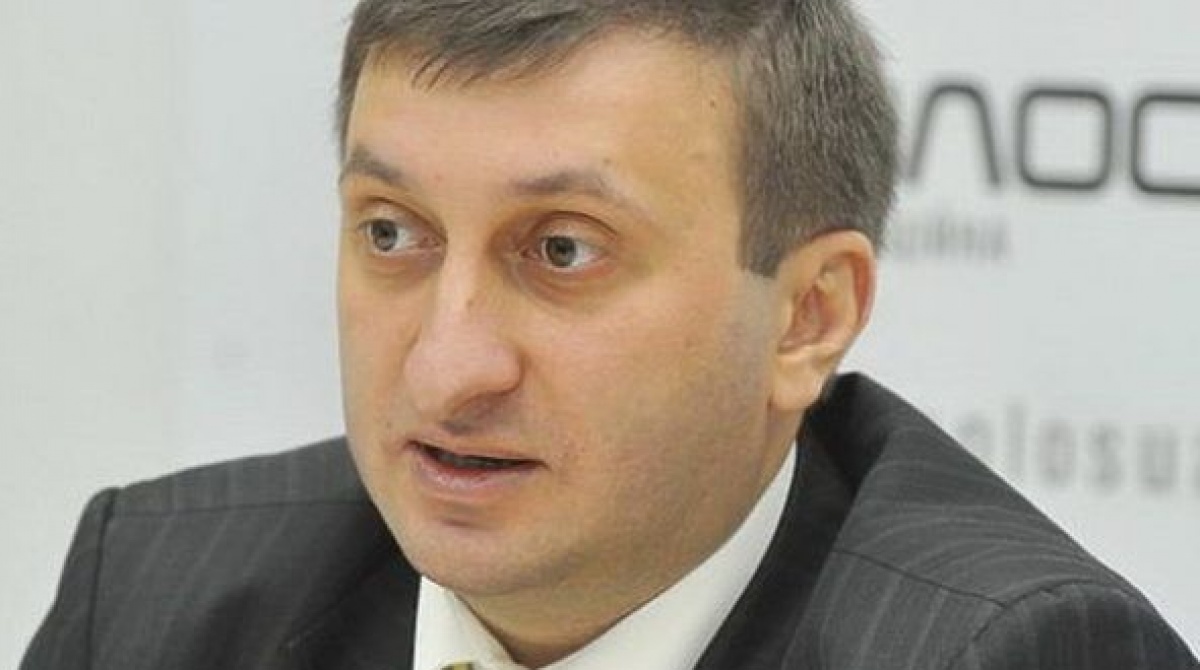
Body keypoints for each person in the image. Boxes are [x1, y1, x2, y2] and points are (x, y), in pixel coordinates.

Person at [22, 1, 1199, 668]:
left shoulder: (1007, 654)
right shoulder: (157, 598)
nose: (446, 367)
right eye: (392, 233)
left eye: (563, 250)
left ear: (808, 317)